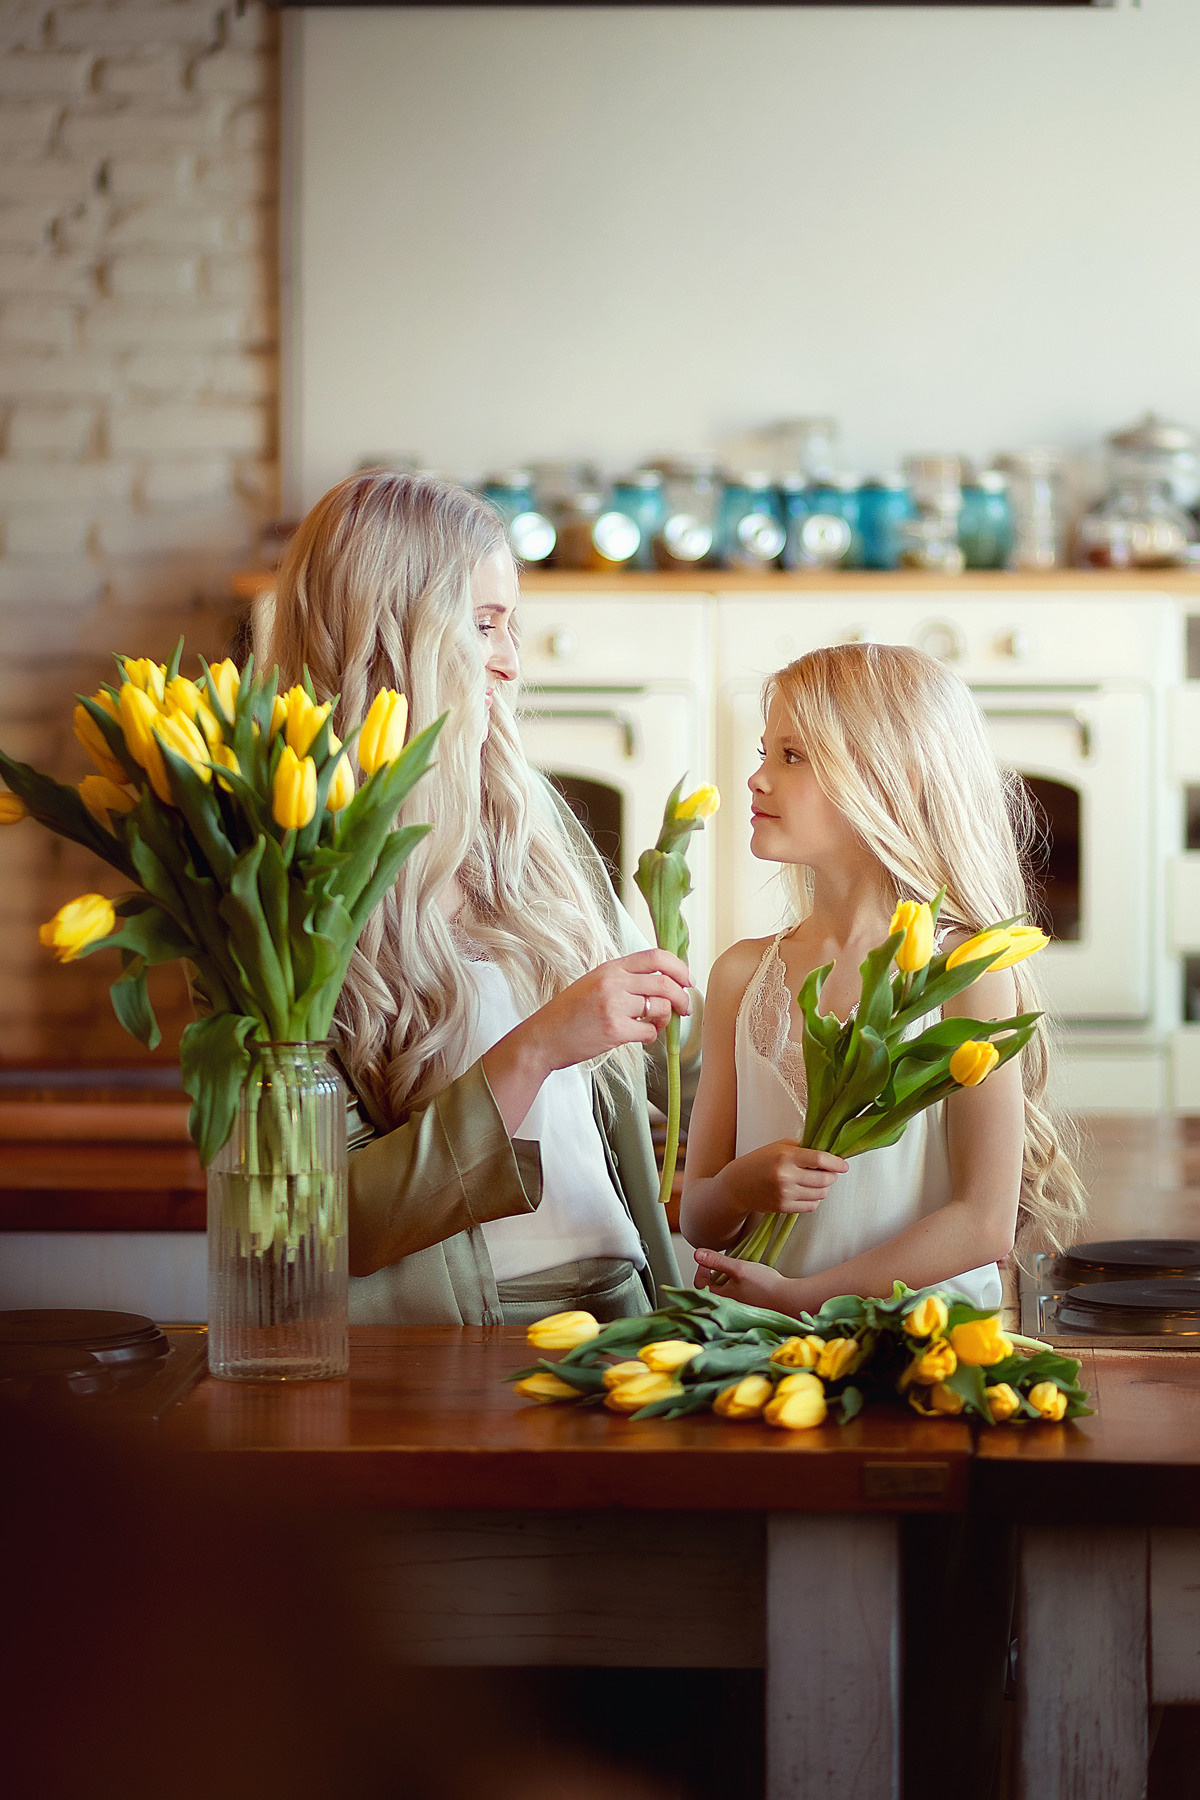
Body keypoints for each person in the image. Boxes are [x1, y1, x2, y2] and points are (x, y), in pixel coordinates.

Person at [257, 470, 688, 1326]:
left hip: (630, 1312)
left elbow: (626, 1115)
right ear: (387, 635)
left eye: (512, 626)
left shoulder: (534, 828)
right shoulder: (269, 888)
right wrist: (533, 1049)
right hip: (451, 1341)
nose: (510, 660)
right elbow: (313, 1226)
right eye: (483, 624)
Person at [681, 641, 1085, 1313]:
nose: (756, 779)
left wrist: (805, 1296)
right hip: (761, 1346)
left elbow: (981, 1223)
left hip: (919, 1343)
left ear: (893, 780)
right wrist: (738, 1188)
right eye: (764, 754)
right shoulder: (742, 975)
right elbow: (699, 1217)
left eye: (793, 755)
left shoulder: (967, 973)